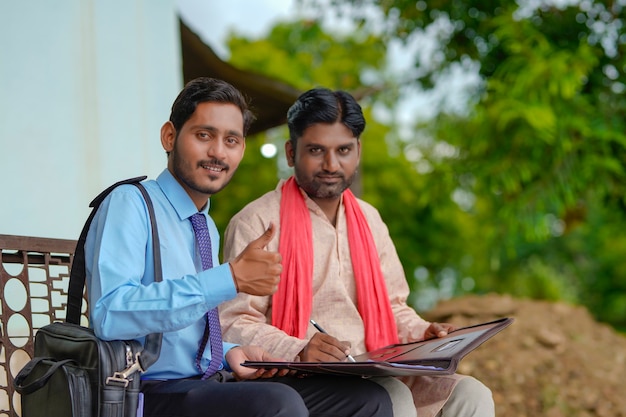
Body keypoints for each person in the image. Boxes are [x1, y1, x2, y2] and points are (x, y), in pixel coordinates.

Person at [85, 78, 395, 417]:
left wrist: (232, 351)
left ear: (241, 150)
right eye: (204, 135)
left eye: (230, 140)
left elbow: (184, 339)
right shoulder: (130, 203)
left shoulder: (203, 225)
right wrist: (228, 279)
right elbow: (110, 314)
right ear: (169, 137)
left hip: (205, 380)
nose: (218, 152)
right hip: (142, 391)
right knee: (279, 404)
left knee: (368, 398)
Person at [220, 87, 496, 417]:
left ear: (358, 151)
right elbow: (232, 323)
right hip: (298, 378)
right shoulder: (256, 222)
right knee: (392, 395)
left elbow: (394, 308)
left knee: (471, 394)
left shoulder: (369, 220)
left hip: (373, 366)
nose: (331, 164)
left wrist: (425, 332)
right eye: (316, 150)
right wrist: (299, 349)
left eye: (343, 150)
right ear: (291, 153)